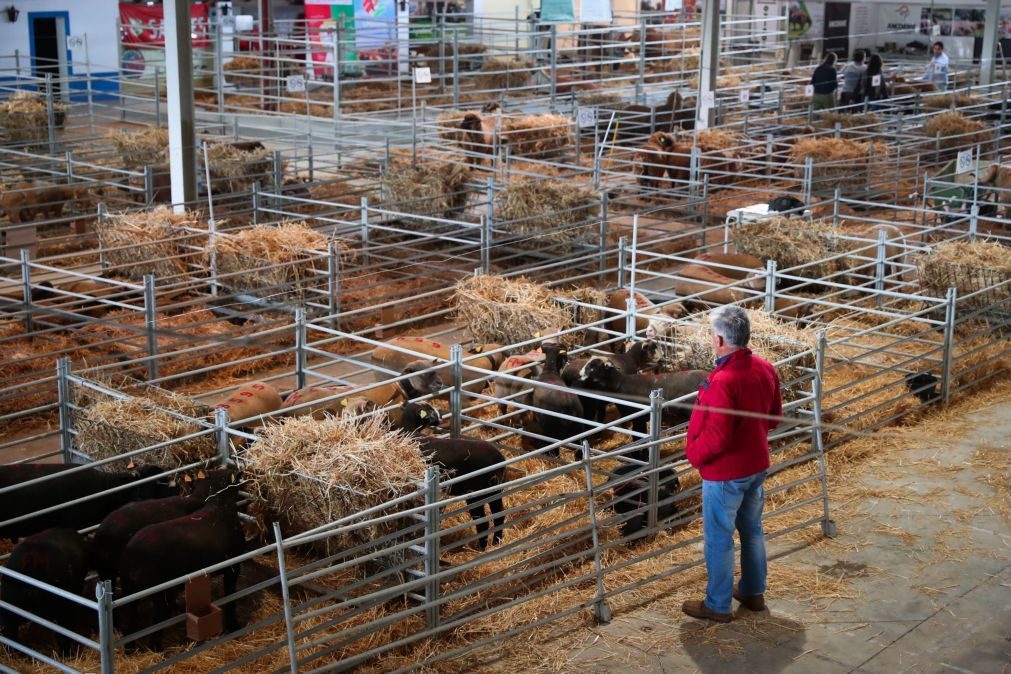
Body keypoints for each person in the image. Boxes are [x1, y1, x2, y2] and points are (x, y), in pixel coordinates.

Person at [681, 306, 783, 623]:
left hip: (726, 473)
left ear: (720, 340)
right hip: (756, 465)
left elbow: (718, 435)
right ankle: (753, 592)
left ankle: (718, 604)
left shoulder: (723, 380)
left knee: (719, 538)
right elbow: (775, 417)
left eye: (713, 337)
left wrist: (694, 455)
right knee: (752, 530)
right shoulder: (765, 368)